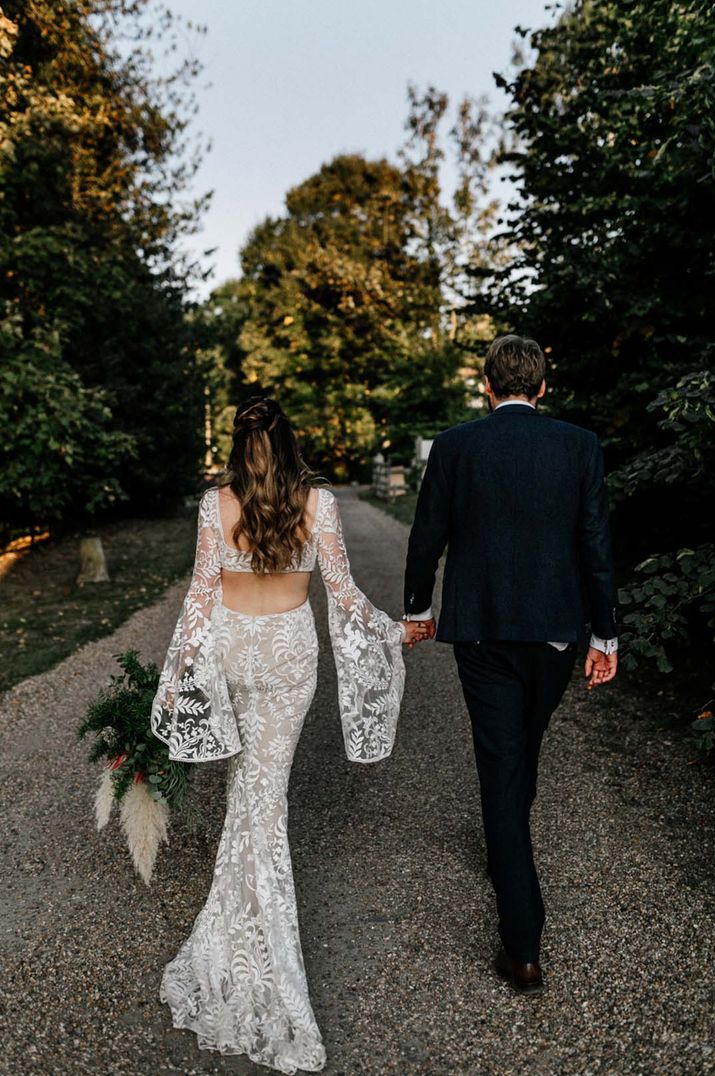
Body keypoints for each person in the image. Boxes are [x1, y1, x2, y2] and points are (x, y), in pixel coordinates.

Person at [150, 396, 426, 1073]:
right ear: (289, 441)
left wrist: (178, 672)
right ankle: (255, 953)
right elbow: (343, 593)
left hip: (232, 649)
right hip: (288, 657)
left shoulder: (216, 505)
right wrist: (393, 629)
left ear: (242, 448)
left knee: (250, 796)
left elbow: (198, 596)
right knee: (261, 799)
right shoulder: (318, 504)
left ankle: (237, 943)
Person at [403, 334, 618, 996]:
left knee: (503, 762)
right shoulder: (578, 445)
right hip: (556, 633)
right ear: (544, 387)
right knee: (521, 748)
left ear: (486, 386)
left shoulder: (457, 445)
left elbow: (428, 532)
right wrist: (606, 637)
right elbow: (594, 542)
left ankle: (522, 946)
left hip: (484, 631)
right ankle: (510, 861)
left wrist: (416, 607)